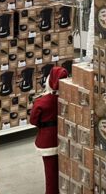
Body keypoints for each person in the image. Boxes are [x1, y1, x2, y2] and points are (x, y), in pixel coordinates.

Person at [30, 65, 68, 194]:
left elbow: (33, 120)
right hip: (64, 138)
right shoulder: (66, 100)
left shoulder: (42, 102)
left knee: (50, 173)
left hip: (47, 141)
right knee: (64, 170)